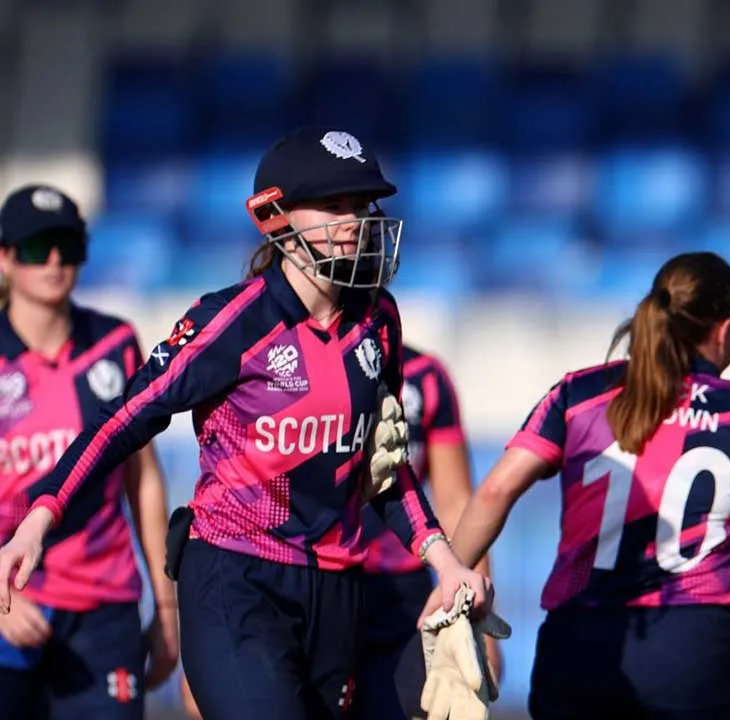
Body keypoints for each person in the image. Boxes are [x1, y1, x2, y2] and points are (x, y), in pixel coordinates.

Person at [0, 126, 492, 720]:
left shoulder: (379, 321)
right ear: (274, 216)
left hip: (338, 591)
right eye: (334, 207)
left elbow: (381, 467)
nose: (355, 222)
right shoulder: (230, 321)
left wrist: (444, 562)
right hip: (236, 579)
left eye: (362, 206)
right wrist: (40, 516)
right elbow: (124, 420)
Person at [427, 251, 730, 719]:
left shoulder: (577, 395)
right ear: (727, 330)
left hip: (579, 646)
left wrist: (446, 584)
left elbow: (494, 492)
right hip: (695, 650)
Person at [0, 184, 178, 717]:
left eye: (68, 246)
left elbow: (142, 478)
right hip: (10, 605)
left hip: (105, 607)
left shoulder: (115, 344)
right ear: (5, 257)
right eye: (36, 248)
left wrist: (166, 605)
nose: (54, 262)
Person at [355, 345, 501, 720]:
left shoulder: (424, 376)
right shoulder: (289, 367)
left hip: (403, 603)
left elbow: (455, 506)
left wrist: (478, 622)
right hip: (317, 585)